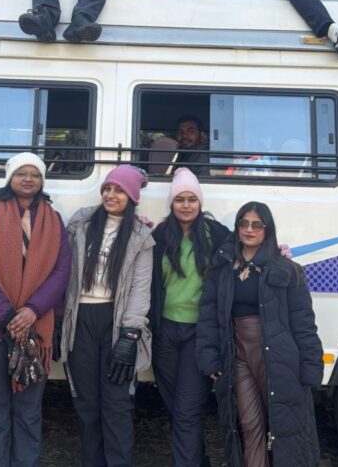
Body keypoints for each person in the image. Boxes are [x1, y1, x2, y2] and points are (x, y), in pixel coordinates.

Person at [0, 152, 72, 467]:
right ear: (10, 178)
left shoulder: (54, 221)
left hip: (36, 330)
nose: (29, 179)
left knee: (29, 412)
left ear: (42, 181)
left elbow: (61, 273)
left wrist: (32, 311)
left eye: (35, 174)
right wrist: (9, 317)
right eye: (22, 173)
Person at [196, 201, 323, 467]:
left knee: (284, 426)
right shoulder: (222, 267)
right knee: (248, 422)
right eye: (244, 224)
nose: (249, 230)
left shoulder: (287, 270)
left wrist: (311, 365)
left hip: (278, 357)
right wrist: (209, 358)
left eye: (256, 225)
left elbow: (303, 322)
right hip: (237, 355)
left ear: (267, 229)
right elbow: (208, 314)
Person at [61, 164, 155, 466]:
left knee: (117, 403)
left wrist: (130, 333)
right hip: (80, 319)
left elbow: (141, 289)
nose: (111, 195)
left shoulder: (141, 236)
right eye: (108, 188)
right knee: (86, 403)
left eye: (119, 190)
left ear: (132, 197)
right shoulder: (81, 224)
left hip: (115, 322)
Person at [150, 168, 231, 467]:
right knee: (176, 407)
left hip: (200, 333)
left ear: (200, 203)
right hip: (165, 332)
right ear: (171, 204)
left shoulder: (217, 234)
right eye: (180, 199)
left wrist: (278, 252)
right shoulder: (159, 235)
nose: (186, 205)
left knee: (187, 410)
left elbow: (250, 249)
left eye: (192, 199)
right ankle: (200, 460)